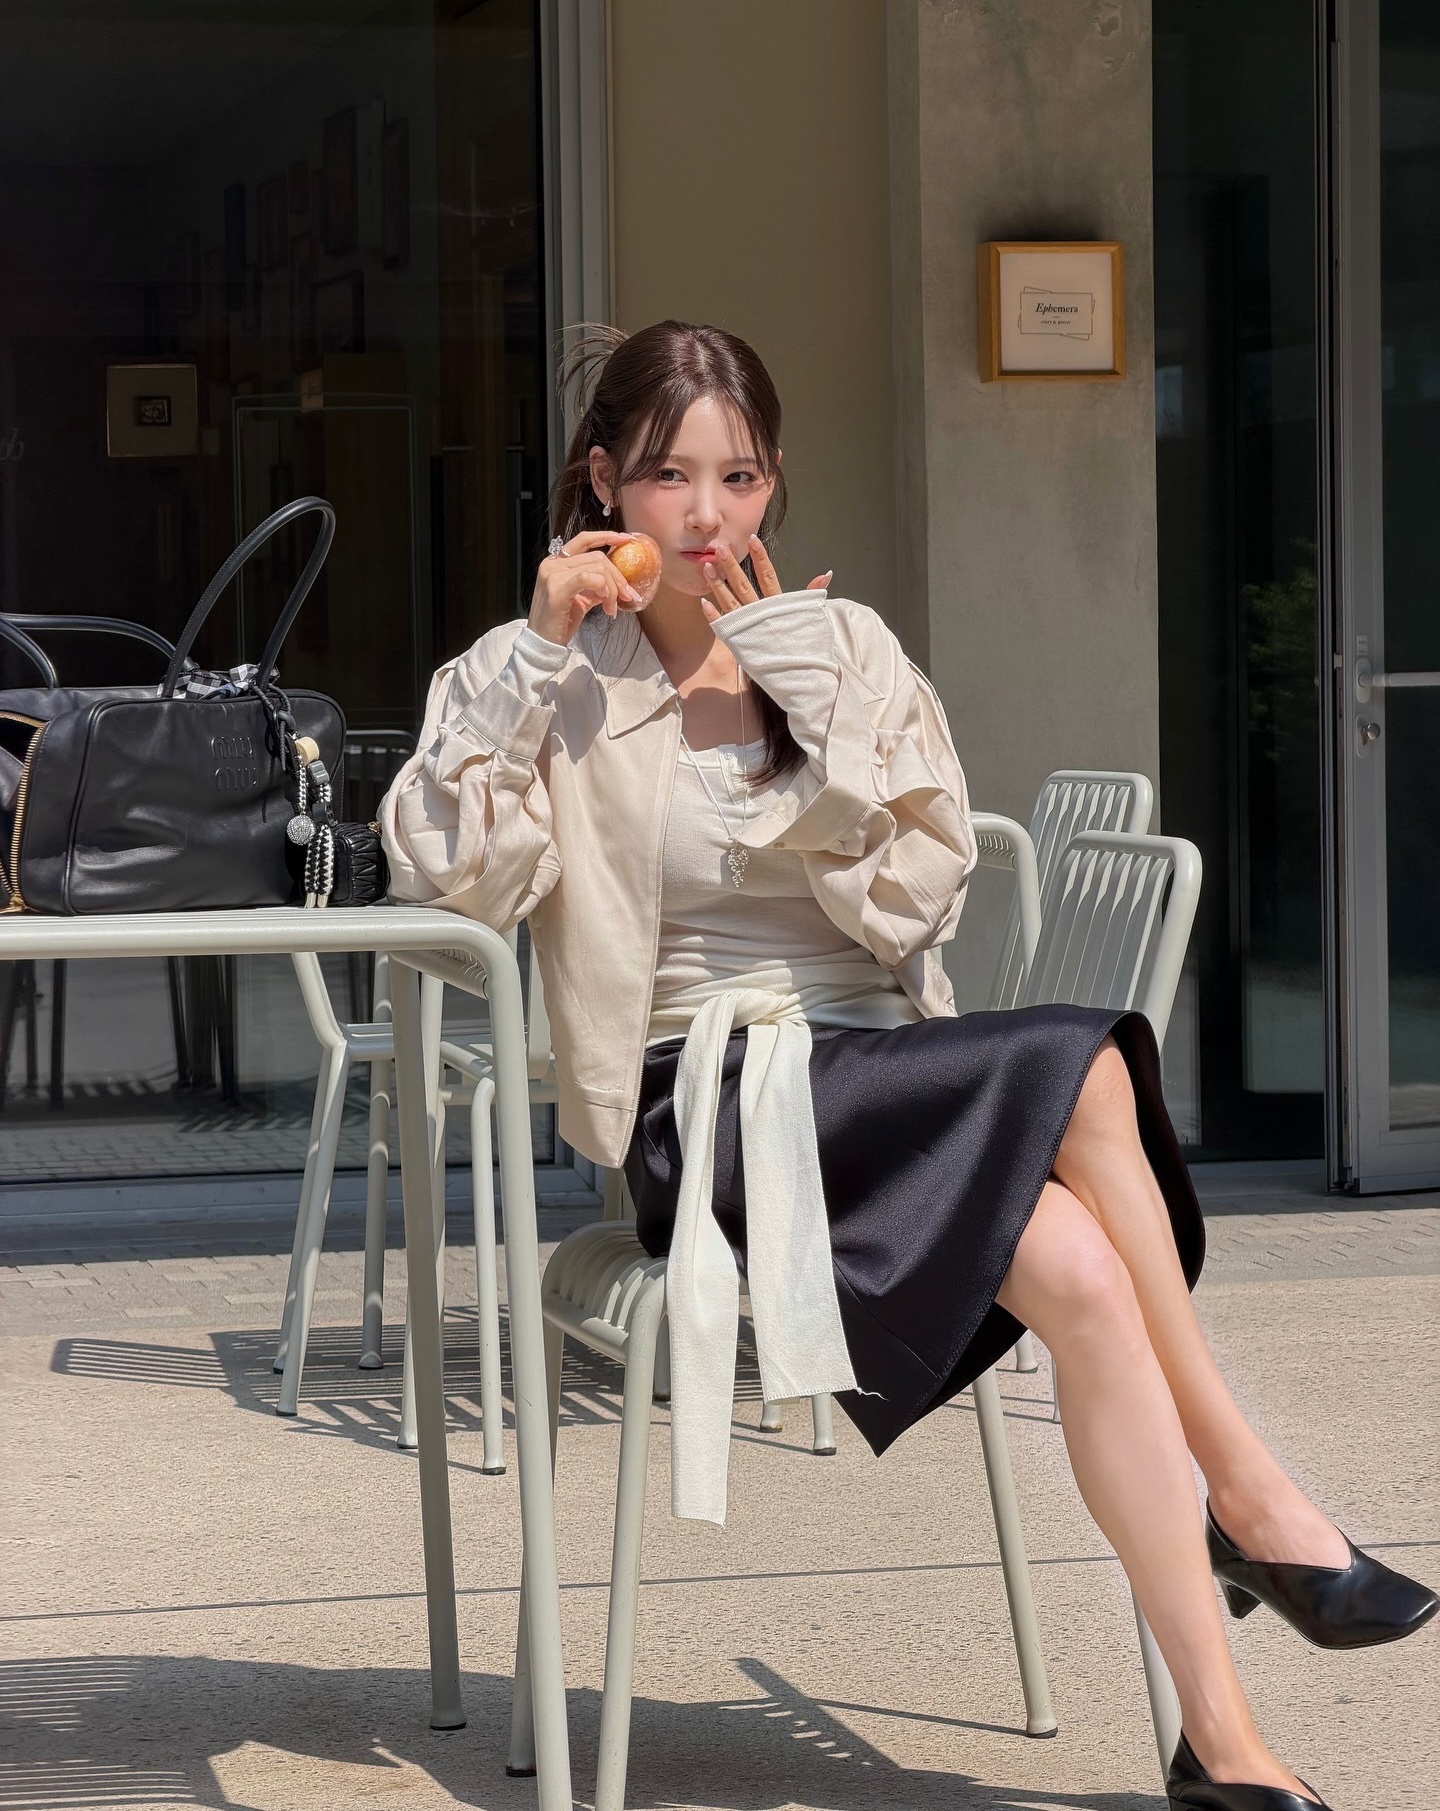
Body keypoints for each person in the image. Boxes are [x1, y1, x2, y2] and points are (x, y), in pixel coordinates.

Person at [380, 320, 1434, 1811]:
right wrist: (541, 651)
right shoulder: (535, 671)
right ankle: (1251, 1493)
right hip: (707, 1100)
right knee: (1087, 1066)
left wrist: (810, 704)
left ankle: (1225, 1746)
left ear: (774, 482)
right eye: (670, 475)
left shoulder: (843, 648)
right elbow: (448, 881)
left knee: (1082, 1273)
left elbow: (918, 900)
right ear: (605, 481)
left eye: (741, 476)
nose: (707, 515)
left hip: (881, 1073)